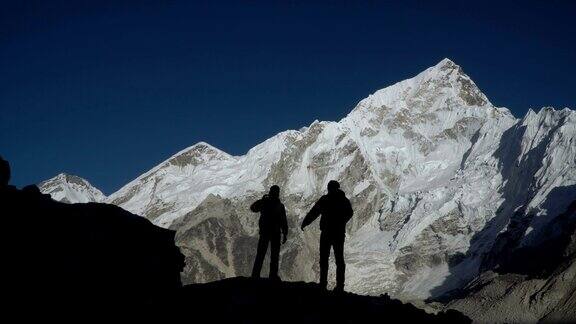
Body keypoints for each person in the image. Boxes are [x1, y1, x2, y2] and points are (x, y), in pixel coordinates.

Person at [301, 180, 353, 292]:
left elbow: (314, 212)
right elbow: (350, 213)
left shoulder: (325, 199)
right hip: (338, 233)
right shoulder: (343, 200)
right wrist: (342, 222)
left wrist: (305, 222)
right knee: (339, 259)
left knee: (324, 258)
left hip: (327, 232)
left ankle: (323, 284)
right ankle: (340, 286)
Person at [250, 185, 288, 280]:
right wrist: (285, 233)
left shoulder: (265, 203)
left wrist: (262, 200)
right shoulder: (280, 206)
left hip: (265, 232)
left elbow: (253, 208)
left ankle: (255, 275)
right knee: (274, 256)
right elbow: (284, 221)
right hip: (275, 233)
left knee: (261, 254)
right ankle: (273, 276)